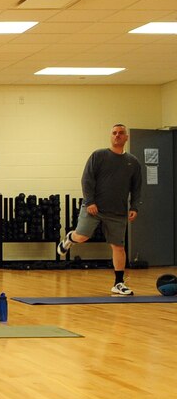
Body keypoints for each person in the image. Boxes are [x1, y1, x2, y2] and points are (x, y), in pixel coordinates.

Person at [57, 124, 142, 295]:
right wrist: (90, 202)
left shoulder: (133, 162)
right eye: (114, 133)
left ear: (126, 137)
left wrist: (134, 207)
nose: (117, 136)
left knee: (118, 247)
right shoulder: (99, 155)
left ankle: (118, 283)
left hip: (117, 211)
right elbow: (86, 179)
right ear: (111, 136)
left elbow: (137, 186)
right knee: (82, 236)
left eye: (121, 133)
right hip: (94, 208)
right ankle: (69, 238)